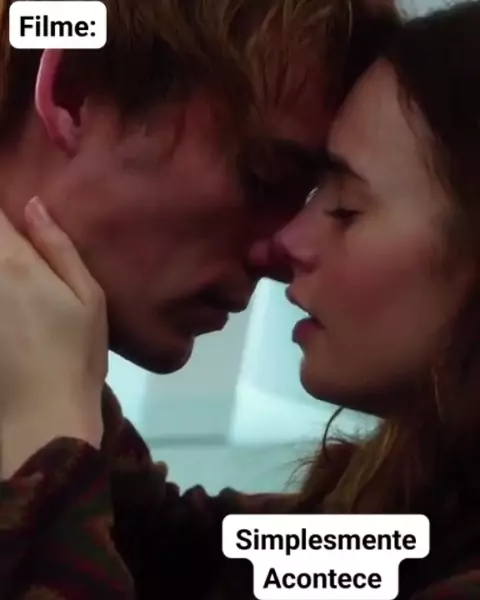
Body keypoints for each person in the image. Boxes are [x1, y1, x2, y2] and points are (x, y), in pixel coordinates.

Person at [0, 0, 399, 598]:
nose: (283, 250)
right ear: (75, 94)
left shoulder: (40, 359)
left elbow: (173, 555)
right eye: (265, 177)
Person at [275, 0, 480, 597]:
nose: (288, 241)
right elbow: (167, 543)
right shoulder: (406, 504)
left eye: (345, 208)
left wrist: (59, 452)